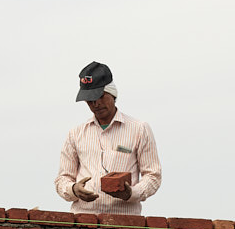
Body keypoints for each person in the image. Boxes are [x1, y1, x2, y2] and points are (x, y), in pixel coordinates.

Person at [54, 62, 163, 215]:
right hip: (83, 222)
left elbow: (153, 176)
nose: (96, 104)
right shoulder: (76, 134)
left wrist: (131, 193)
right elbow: (62, 179)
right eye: (90, 100)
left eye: (100, 97)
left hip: (125, 223)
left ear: (112, 93)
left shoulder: (139, 129)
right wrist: (74, 189)